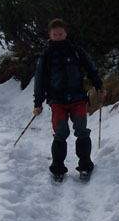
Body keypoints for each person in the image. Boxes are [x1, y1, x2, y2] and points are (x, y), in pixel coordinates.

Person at [33, 18, 106, 182]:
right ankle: (57, 168)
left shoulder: (76, 51)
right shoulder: (46, 55)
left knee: (81, 130)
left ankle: (85, 166)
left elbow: (90, 68)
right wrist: (38, 103)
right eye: (55, 34)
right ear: (50, 35)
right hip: (57, 100)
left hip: (78, 98)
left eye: (60, 33)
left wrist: (99, 85)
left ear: (66, 33)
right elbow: (40, 79)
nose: (58, 36)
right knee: (61, 132)